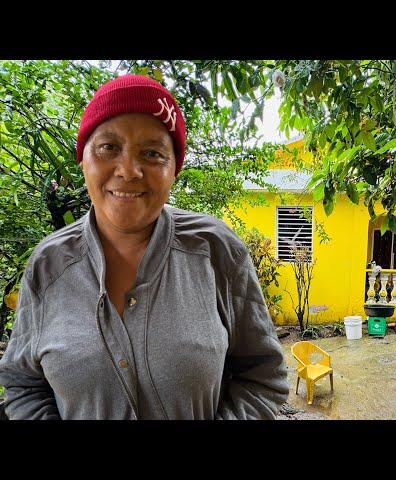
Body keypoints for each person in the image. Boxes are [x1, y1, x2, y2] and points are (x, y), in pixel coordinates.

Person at [0, 74, 289, 419]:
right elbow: (23, 386)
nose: (129, 170)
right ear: (83, 159)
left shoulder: (216, 251)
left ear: (174, 170)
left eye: (152, 153)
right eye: (108, 147)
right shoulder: (48, 265)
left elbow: (263, 378)